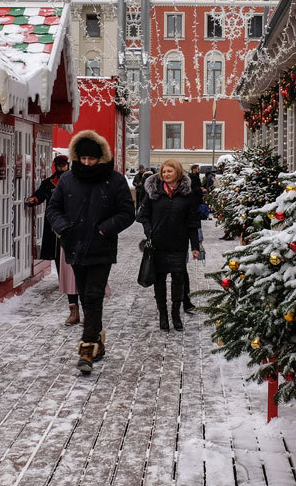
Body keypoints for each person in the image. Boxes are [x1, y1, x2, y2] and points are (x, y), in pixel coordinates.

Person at [46, 130, 135, 375]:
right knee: (85, 296)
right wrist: (63, 228)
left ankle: (87, 349)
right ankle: (99, 339)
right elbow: (53, 209)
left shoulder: (115, 180)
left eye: (92, 159)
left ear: (101, 158)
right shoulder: (67, 180)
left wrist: (105, 229)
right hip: (74, 245)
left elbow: (128, 213)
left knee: (94, 295)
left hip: (101, 247)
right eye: (83, 159)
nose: (87, 163)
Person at [136, 159, 201, 331]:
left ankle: (175, 314)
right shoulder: (154, 192)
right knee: (159, 281)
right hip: (158, 244)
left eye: (169, 171)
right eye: (163, 171)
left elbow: (193, 223)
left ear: (178, 172)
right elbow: (142, 215)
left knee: (178, 279)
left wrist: (195, 246)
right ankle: (163, 315)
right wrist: (149, 231)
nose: (165, 174)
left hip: (178, 245)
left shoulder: (187, 194)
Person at [26, 154, 79, 324]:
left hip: (73, 225)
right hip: (54, 225)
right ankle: (63, 283)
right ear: (56, 165)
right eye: (60, 165)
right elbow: (40, 195)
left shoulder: (76, 181)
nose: (63, 168)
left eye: (65, 165)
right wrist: (33, 200)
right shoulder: (50, 183)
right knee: (58, 255)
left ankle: (79, 297)